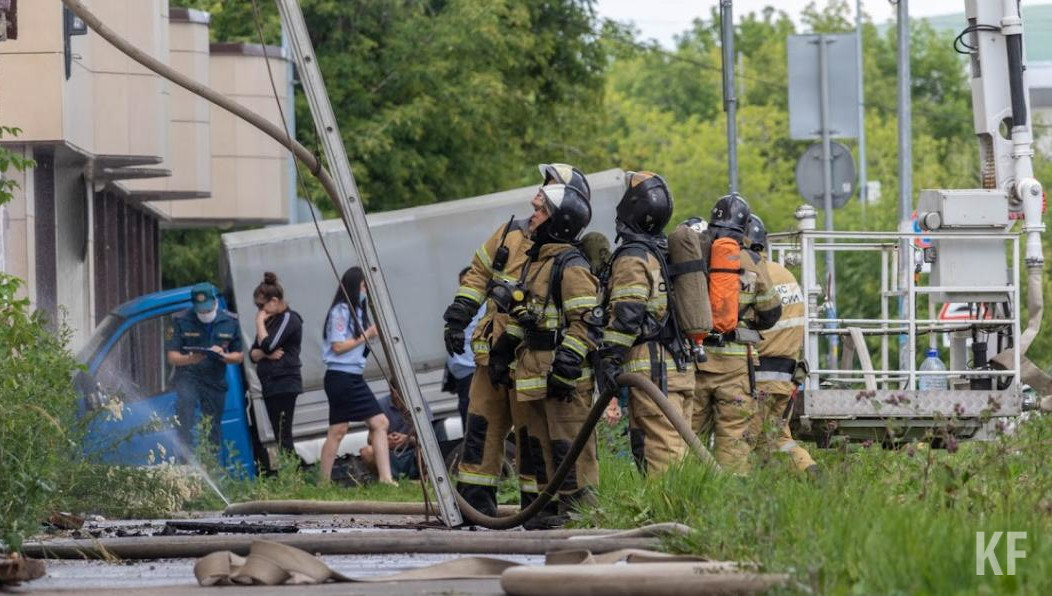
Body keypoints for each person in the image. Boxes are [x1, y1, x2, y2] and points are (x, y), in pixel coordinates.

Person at [443, 163, 591, 517]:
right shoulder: (510, 233)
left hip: (531, 359)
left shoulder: (563, 255)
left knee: (530, 438)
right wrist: (459, 315)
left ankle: (536, 511)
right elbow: (478, 274)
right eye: (543, 187)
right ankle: (474, 505)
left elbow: (580, 318)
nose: (538, 196)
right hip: (493, 352)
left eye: (550, 189)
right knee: (481, 428)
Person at [499, 182, 599, 527]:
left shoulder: (571, 266)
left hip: (563, 380)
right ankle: (549, 512)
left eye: (542, 211)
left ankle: (581, 516)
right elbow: (528, 315)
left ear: (560, 221)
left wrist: (567, 365)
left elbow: (585, 323)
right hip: (535, 374)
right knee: (541, 452)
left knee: (570, 451)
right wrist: (503, 350)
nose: (534, 215)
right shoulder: (538, 262)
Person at [597, 171, 694, 474]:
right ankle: (671, 502)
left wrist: (609, 358)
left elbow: (627, 316)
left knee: (664, 455)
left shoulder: (634, 257)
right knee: (667, 449)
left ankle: (672, 505)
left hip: (652, 368)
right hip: (679, 364)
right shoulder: (665, 252)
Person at [692, 195, 781, 474]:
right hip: (735, 368)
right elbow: (771, 312)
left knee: (689, 436)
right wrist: (745, 318)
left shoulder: (695, 252)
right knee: (734, 439)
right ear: (743, 229)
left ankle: (685, 492)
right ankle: (731, 495)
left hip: (697, 362)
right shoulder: (751, 260)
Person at [743, 215, 818, 475]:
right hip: (787, 377)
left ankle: (738, 492)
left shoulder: (752, 275)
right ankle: (809, 471)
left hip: (759, 378)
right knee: (778, 438)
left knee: (744, 442)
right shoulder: (785, 274)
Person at [320, 266, 396, 485]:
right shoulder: (341, 311)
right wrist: (366, 335)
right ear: (354, 286)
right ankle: (324, 482)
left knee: (375, 423)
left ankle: (385, 478)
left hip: (352, 375)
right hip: (342, 376)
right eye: (363, 286)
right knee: (342, 429)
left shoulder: (358, 311)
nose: (365, 291)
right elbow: (338, 346)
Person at [166, 283, 244, 458]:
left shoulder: (230, 321)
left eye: (207, 308)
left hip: (214, 380)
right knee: (185, 423)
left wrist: (224, 356)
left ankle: (211, 465)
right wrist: (190, 359)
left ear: (214, 302)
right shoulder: (180, 320)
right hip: (189, 377)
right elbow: (172, 357)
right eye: (200, 309)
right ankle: (186, 464)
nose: (204, 312)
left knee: (212, 428)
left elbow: (239, 356)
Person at [249, 272, 303, 458]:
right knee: (279, 435)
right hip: (269, 382)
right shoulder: (270, 321)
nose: (260, 311)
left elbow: (268, 344)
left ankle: (293, 470)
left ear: (274, 301)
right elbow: (253, 354)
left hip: (284, 380)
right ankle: (291, 467)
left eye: (261, 306)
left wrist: (259, 323)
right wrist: (266, 353)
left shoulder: (289, 318)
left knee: (283, 434)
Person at [359, 391, 439, 480]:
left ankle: (424, 479)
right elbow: (370, 439)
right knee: (367, 451)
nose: (399, 399)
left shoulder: (418, 402)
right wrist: (385, 440)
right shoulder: (380, 404)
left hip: (412, 452)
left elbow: (429, 438)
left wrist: (408, 439)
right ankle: (385, 479)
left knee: (426, 449)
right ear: (391, 391)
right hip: (389, 453)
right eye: (397, 395)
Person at [446, 267, 487, 426]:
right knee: (468, 414)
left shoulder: (487, 306)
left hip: (476, 369)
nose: (466, 288)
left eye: (469, 283)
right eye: (463, 284)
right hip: (464, 373)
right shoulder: (460, 308)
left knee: (475, 417)